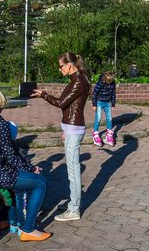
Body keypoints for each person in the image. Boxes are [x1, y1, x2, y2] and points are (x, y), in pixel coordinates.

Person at [0, 86, 51, 242]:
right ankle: (28, 229)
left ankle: (12, 220)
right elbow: (12, 157)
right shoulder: (1, 125)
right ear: (1, 103)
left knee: (25, 180)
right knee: (41, 183)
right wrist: (32, 168)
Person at [31, 53, 90, 222]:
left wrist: (43, 94)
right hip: (71, 127)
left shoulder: (78, 81)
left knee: (73, 171)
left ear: (70, 65)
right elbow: (70, 106)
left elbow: (61, 103)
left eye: (61, 66)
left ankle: (74, 209)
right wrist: (65, 129)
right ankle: (73, 202)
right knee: (72, 169)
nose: (59, 69)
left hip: (74, 127)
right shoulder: (76, 79)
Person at [91, 71, 117, 147]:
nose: (109, 83)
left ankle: (109, 135)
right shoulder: (100, 83)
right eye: (108, 81)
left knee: (109, 119)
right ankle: (95, 133)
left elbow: (113, 93)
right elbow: (95, 93)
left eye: (111, 81)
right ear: (105, 79)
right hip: (99, 102)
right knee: (98, 118)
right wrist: (94, 104)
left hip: (108, 102)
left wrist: (113, 104)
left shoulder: (112, 83)